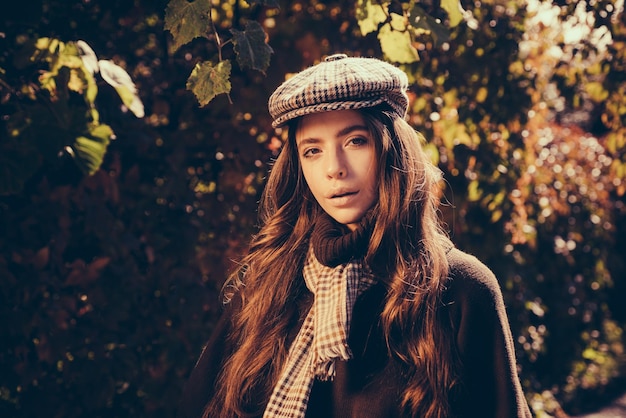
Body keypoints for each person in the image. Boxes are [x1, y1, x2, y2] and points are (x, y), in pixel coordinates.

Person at [178, 54, 533, 418]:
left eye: (355, 141)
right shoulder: (268, 284)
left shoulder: (459, 287)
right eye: (312, 151)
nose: (334, 168)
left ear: (392, 148)